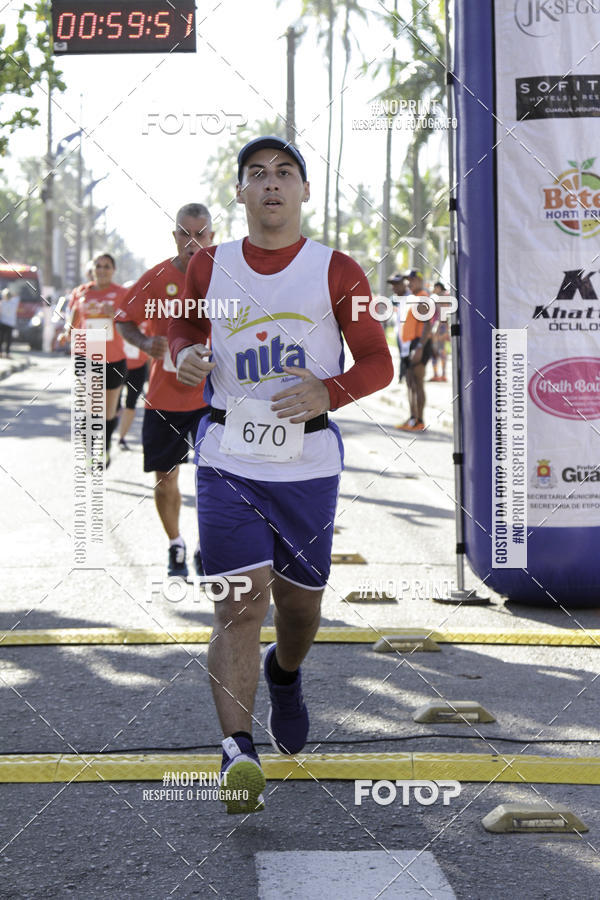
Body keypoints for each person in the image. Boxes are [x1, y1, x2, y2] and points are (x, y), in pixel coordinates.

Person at [168, 136, 394, 815]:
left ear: (304, 191)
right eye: (258, 174)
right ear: (240, 192)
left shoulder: (338, 270)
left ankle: (285, 673)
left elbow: (378, 362)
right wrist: (185, 357)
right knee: (240, 604)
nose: (272, 183)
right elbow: (183, 333)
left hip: (307, 464)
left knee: (298, 609)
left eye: (285, 173)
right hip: (228, 455)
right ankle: (237, 751)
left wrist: (331, 391)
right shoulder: (208, 265)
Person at [115, 203, 214, 577]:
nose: (192, 242)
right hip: (165, 398)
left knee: (216, 479)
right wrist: (144, 342)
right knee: (165, 478)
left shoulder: (227, 276)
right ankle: (176, 544)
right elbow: (123, 319)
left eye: (200, 234)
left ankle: (208, 547)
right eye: (185, 234)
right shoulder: (156, 278)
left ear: (212, 237)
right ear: (175, 236)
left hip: (213, 396)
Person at [61, 253, 128, 465]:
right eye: (98, 266)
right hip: (87, 354)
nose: (102, 270)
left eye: (107, 266)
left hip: (114, 357)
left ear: (113, 270)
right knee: (92, 405)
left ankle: (104, 448)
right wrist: (67, 331)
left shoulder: (122, 293)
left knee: (109, 410)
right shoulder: (82, 291)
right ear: (92, 269)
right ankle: (90, 451)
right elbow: (74, 313)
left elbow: (132, 319)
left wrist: (115, 312)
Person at [394, 269, 433, 432]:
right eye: (407, 280)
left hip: (419, 344)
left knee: (418, 383)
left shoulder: (423, 297)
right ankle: (412, 418)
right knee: (410, 383)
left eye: (412, 280)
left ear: (420, 281)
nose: (409, 283)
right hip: (410, 344)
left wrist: (419, 347)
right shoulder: (413, 298)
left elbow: (428, 325)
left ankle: (419, 420)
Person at [117, 333, 149, 450]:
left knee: (130, 404)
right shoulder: (118, 320)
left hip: (138, 368)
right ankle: (107, 435)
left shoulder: (149, 321)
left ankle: (121, 438)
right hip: (117, 364)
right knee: (113, 405)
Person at [387, 273, 411, 383]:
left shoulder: (411, 297)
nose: (393, 287)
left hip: (411, 336)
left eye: (396, 284)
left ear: (403, 284)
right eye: (392, 284)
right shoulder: (396, 298)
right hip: (400, 333)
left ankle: (406, 378)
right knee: (402, 355)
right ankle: (402, 377)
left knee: (408, 358)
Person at [429, 281, 449, 382]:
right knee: (440, 350)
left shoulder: (441, 298)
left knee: (437, 350)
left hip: (439, 327)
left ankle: (439, 374)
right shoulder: (441, 297)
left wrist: (437, 329)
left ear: (439, 287)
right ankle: (440, 374)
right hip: (441, 326)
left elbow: (442, 315)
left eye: (435, 287)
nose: (434, 289)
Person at [0, 287, 19, 358]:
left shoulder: (2, 303)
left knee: (1, 339)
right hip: (10, 323)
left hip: (3, 322)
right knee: (8, 340)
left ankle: (0, 353)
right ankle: (7, 353)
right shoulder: (14, 302)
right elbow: (17, 295)